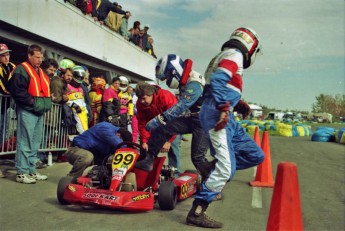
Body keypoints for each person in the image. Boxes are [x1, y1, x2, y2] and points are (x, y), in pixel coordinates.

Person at [185, 27, 265, 228]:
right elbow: (220, 80)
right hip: (217, 115)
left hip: (225, 114)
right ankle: (197, 211)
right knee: (226, 170)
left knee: (256, 155)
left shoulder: (222, 55)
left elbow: (218, 85)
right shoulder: (236, 55)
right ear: (252, 46)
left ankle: (211, 167)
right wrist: (223, 106)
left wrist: (237, 103)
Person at [142, 54, 210, 177]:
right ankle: (148, 159)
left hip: (204, 121)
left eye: (167, 77)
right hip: (192, 117)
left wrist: (158, 119)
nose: (167, 81)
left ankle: (213, 185)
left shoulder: (194, 82)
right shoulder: (185, 80)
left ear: (174, 71)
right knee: (164, 127)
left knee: (197, 158)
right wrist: (161, 122)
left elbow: (181, 106)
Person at [8, 44, 52, 184]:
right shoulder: (21, 69)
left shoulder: (40, 71)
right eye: (37, 57)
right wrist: (33, 103)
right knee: (25, 141)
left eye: (41, 57)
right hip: (28, 110)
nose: (40, 60)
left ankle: (31, 171)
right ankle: (22, 172)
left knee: (34, 142)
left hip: (38, 110)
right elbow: (17, 91)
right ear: (29, 56)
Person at [134, 82, 182, 175]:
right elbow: (142, 123)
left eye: (143, 98)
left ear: (151, 94)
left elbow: (175, 120)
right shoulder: (140, 103)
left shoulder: (165, 96)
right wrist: (144, 141)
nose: (141, 101)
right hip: (155, 126)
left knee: (173, 149)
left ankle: (174, 175)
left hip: (173, 125)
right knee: (147, 150)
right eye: (139, 99)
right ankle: (149, 175)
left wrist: (168, 141)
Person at [64, 121, 132, 177]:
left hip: (94, 155)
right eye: (122, 140)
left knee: (111, 160)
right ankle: (71, 178)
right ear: (118, 135)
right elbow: (119, 144)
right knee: (87, 156)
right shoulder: (105, 127)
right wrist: (130, 149)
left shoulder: (112, 142)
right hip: (75, 150)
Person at [66, 65, 89, 134]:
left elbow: (83, 102)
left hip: (83, 113)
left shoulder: (81, 89)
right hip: (73, 112)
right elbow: (65, 99)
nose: (79, 79)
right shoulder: (68, 86)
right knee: (80, 130)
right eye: (78, 77)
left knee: (85, 130)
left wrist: (87, 112)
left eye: (81, 77)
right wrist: (74, 105)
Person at [0, 43, 15, 143]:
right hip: (2, 100)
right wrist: (11, 91)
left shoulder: (13, 66)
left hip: (7, 103)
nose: (6, 57)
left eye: (7, 55)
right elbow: (2, 86)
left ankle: (2, 149)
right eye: (3, 55)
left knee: (5, 126)